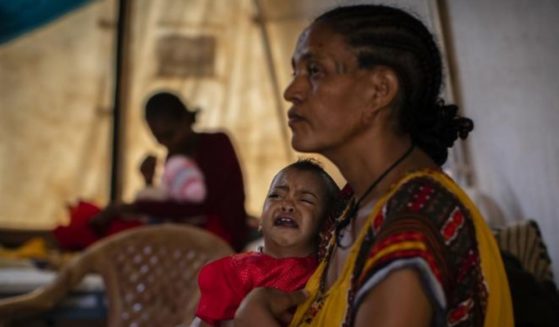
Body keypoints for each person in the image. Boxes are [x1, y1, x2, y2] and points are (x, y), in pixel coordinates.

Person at [234, 4, 514, 327]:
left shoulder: (413, 225)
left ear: (379, 90)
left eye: (315, 71)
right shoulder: (354, 205)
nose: (291, 91)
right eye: (294, 72)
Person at [192, 159, 342, 327]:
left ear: (326, 225)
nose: (286, 205)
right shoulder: (232, 271)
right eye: (275, 196)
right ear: (261, 219)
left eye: (305, 200)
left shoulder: (320, 279)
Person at [91, 91, 248, 251]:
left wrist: (135, 207)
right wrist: (148, 182)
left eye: (170, 135)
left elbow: (200, 206)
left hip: (222, 239)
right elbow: (173, 201)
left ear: (186, 120)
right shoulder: (174, 155)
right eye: (159, 139)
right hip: (188, 235)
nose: (166, 144)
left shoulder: (217, 144)